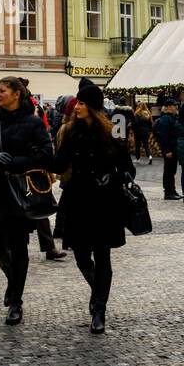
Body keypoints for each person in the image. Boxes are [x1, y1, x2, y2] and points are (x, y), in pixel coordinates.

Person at [0, 76, 56, 325]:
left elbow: (45, 154)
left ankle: (16, 301)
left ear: (17, 93)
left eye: (2, 90)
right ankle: (13, 279)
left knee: (19, 247)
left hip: (20, 193)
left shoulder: (33, 123)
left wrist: (16, 163)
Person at [52, 78, 136, 335]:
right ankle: (97, 289)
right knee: (79, 256)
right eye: (78, 102)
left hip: (105, 202)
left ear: (94, 106)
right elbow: (58, 165)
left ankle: (99, 308)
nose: (77, 106)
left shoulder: (112, 133)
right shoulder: (69, 132)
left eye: (83, 103)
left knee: (102, 255)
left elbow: (128, 168)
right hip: (78, 200)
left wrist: (116, 176)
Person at [152, 101, 183, 200]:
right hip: (169, 149)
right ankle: (168, 192)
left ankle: (172, 190)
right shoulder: (165, 119)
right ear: (169, 106)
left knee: (172, 170)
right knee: (169, 171)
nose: (176, 107)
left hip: (173, 148)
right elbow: (163, 136)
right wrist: (167, 150)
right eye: (175, 106)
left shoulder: (172, 118)